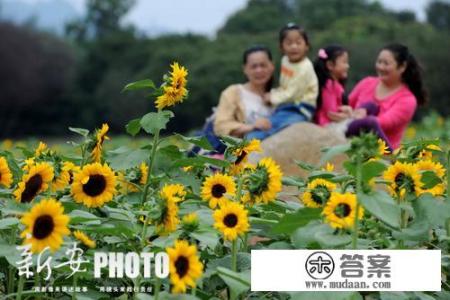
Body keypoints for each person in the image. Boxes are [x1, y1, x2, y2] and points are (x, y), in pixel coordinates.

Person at [329, 43, 427, 150]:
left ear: (402, 67)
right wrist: (346, 112)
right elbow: (345, 106)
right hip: (351, 142)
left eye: (386, 63)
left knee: (370, 121)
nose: (380, 67)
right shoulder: (367, 83)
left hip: (380, 152)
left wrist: (358, 116)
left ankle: (392, 159)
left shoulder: (407, 100)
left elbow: (383, 123)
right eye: (379, 62)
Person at [246, 23, 318, 140]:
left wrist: (273, 97)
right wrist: (276, 93)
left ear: (307, 46)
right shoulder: (285, 60)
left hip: (300, 108)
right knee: (270, 122)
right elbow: (285, 85)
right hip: (287, 105)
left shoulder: (305, 67)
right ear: (281, 47)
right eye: (289, 43)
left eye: (298, 43)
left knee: (274, 127)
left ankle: (253, 141)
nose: (294, 47)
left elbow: (292, 93)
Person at [313, 45, 379, 136]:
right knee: (370, 122)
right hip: (331, 126)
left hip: (339, 122)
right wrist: (351, 116)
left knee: (371, 106)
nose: (347, 66)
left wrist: (349, 112)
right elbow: (331, 114)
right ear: (330, 65)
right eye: (344, 62)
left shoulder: (336, 85)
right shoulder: (329, 84)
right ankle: (388, 150)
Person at [213, 45, 275, 141]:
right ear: (245, 69)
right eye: (254, 66)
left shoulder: (280, 95)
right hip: (244, 150)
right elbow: (220, 126)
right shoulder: (233, 92)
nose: (259, 70)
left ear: (272, 66)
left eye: (263, 65)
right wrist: (253, 127)